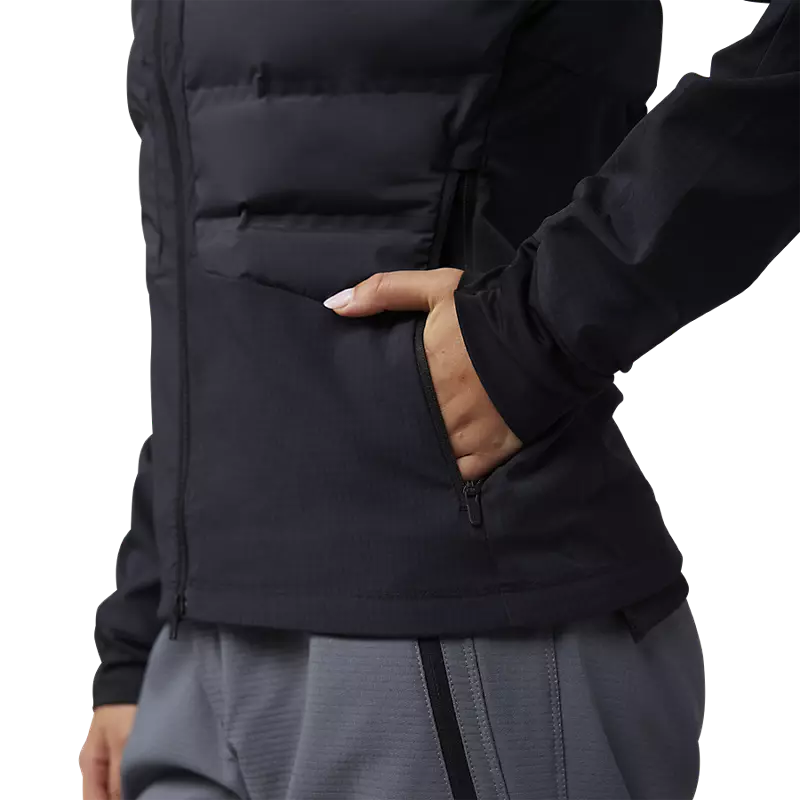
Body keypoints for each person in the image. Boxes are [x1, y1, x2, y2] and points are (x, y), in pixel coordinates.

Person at [79, 1, 798, 798]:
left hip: (451, 617)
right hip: (191, 661)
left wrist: (532, 332)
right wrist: (138, 632)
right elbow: (212, 289)